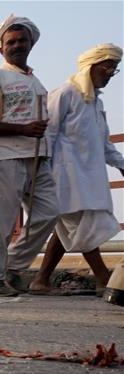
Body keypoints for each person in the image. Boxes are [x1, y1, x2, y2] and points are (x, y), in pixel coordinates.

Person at [29, 44, 124, 294]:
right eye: (108, 68)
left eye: (114, 70)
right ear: (92, 66)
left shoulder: (96, 105)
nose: (110, 74)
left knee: (70, 229)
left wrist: (122, 165)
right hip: (64, 177)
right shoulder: (65, 93)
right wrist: (41, 175)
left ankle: (40, 280)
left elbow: (104, 144)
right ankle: (105, 279)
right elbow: (47, 135)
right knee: (82, 228)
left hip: (90, 180)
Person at [0, 14, 54, 296]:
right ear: (1, 47)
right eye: (11, 42)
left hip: (37, 157)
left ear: (31, 43)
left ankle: (12, 266)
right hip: (4, 155)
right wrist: (24, 129)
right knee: (2, 221)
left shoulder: (36, 81)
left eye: (22, 40)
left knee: (49, 212)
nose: (17, 45)